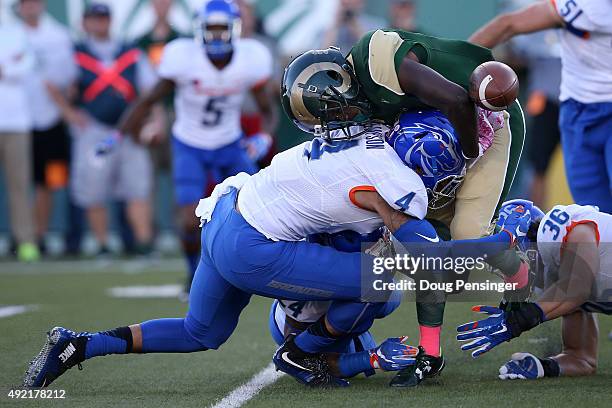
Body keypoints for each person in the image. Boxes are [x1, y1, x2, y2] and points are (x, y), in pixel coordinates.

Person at [22, 110, 527, 389]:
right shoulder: (398, 181)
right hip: (252, 244)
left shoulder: (368, 135)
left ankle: (80, 343)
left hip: (225, 215)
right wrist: (498, 246)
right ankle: (300, 354)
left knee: (201, 332)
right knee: (384, 286)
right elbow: (421, 262)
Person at [281, 35, 528, 386]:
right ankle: (432, 355)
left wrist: (468, 159)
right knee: (439, 267)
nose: (331, 127)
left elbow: (457, 99)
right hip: (423, 159)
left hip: (481, 127)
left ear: (343, 90)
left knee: (468, 238)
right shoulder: (361, 122)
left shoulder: (377, 61)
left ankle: (520, 279)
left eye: (332, 115)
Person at [117, 0, 276, 292]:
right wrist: (120, 134)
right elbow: (150, 99)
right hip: (189, 143)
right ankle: (193, 274)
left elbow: (268, 109)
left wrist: (263, 136)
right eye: (210, 29)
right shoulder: (182, 56)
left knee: (257, 208)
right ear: (199, 30)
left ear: (234, 30)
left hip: (229, 142)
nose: (216, 36)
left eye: (222, 29)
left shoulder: (249, 58)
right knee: (190, 219)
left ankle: (253, 272)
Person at [469, 0, 612, 214]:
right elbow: (509, 24)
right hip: (575, 111)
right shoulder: (586, 5)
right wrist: (457, 58)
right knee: (596, 214)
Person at [457, 199, 611, 380]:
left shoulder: (568, 227)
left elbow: (577, 285)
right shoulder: (553, 276)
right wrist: (546, 367)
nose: (506, 271)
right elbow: (582, 360)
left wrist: (521, 319)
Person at [48, 3, 157, 257]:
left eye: (103, 19)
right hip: (95, 128)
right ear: (85, 23)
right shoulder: (76, 53)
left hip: (129, 129)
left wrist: (152, 120)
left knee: (137, 187)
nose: (100, 23)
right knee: (94, 189)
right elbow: (51, 83)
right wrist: (70, 114)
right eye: (94, 19)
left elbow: (150, 89)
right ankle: (103, 243)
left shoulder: (130, 52)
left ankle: (143, 243)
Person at [18, 0, 77, 251]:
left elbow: (69, 80)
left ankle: (40, 235)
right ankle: (24, 235)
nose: (30, 7)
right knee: (19, 183)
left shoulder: (59, 36)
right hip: (15, 123)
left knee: (51, 182)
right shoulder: (8, 35)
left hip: (51, 123)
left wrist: (64, 106)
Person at [0, 3, 39, 262]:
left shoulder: (16, 33)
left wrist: (7, 70)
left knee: (19, 186)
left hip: (15, 122)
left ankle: (25, 241)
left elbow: (27, 64)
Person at [321, 0, 387, 55]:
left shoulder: (376, 25)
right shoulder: (328, 27)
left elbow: (376, 54)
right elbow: (321, 56)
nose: (347, 3)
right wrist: (335, 26)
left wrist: (357, 28)